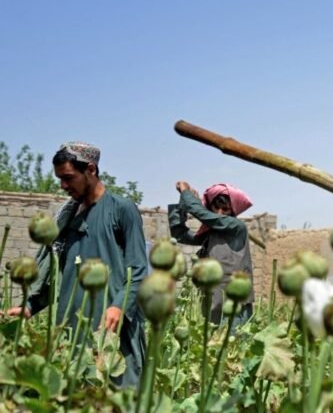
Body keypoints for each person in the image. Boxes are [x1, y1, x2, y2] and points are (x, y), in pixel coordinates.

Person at [7, 141, 148, 387]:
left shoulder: (121, 209)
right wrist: (29, 307)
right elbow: (58, 277)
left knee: (119, 397)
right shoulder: (66, 218)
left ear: (90, 170)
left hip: (112, 329)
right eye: (60, 179)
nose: (63, 185)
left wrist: (119, 306)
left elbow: (137, 268)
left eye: (68, 177)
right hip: (70, 330)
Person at [168, 182, 254, 326]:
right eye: (216, 208)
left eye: (225, 209)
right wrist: (183, 202)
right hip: (212, 301)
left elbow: (202, 214)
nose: (219, 213)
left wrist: (186, 195)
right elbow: (180, 235)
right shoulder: (211, 233)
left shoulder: (237, 227)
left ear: (233, 211)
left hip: (234, 303)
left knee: (234, 339)